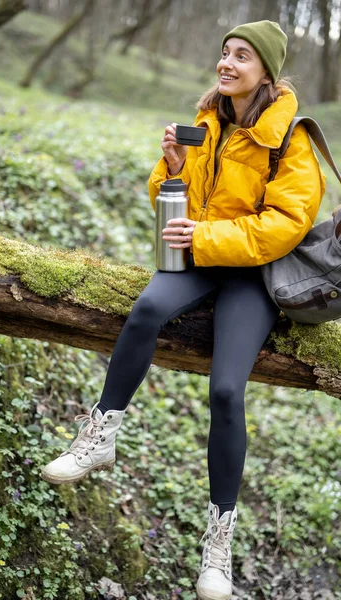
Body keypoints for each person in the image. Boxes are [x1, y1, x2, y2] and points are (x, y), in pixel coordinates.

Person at [41, 20, 325, 600]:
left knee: (226, 391)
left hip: (254, 273)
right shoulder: (207, 121)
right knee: (145, 310)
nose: (227, 63)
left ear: (266, 72)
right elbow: (179, 208)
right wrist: (171, 169)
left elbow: (286, 224)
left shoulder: (290, 138)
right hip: (200, 254)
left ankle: (218, 544)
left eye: (241, 56)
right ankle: (99, 435)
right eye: (224, 52)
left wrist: (207, 238)